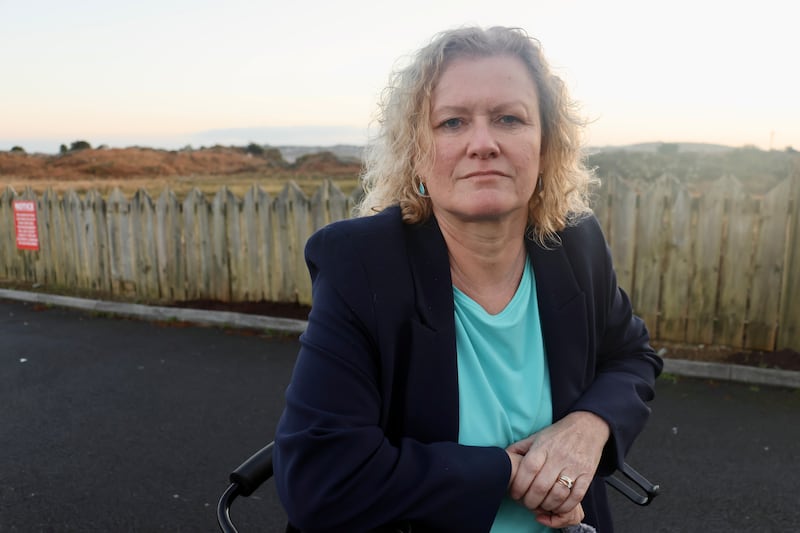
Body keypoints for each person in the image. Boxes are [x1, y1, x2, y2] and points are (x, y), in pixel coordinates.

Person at [273, 26, 662, 532]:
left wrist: (590, 426)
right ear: (416, 154)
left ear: (546, 147)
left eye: (509, 119)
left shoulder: (575, 245)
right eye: (452, 122)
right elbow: (320, 479)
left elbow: (631, 357)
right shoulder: (362, 265)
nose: (483, 144)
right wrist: (505, 473)